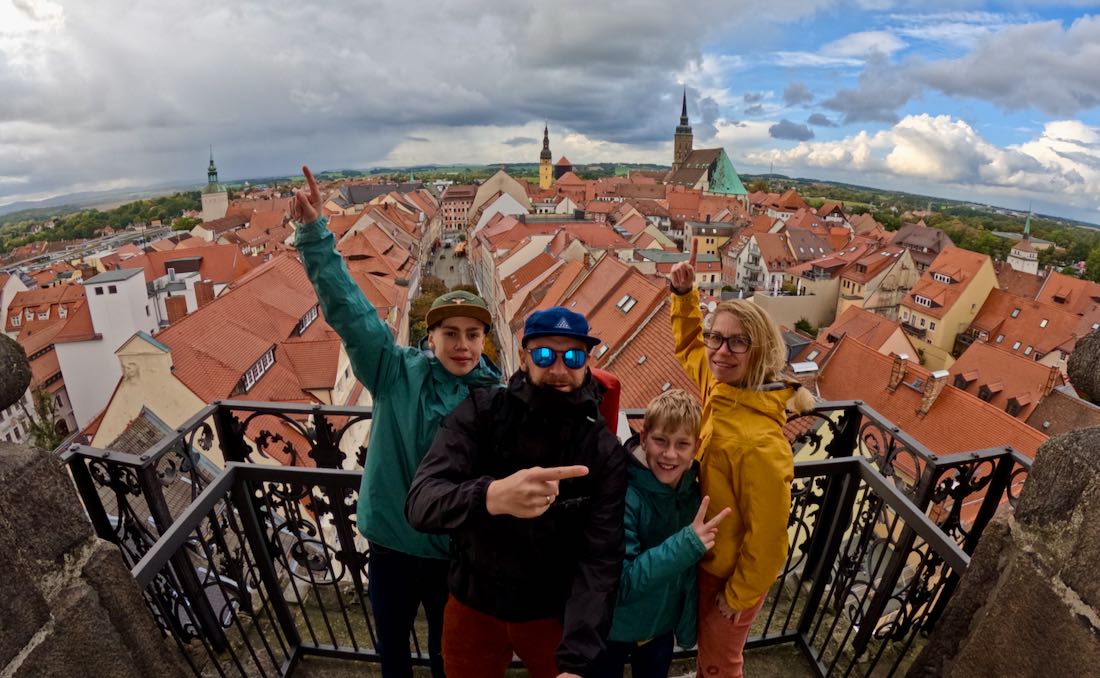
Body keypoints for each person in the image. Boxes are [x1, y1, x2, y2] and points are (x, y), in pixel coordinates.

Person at [291, 166, 502, 678]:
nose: (461, 345)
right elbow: (351, 313)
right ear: (430, 338)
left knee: (447, 656)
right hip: (391, 544)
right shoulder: (395, 372)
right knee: (393, 655)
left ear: (484, 340)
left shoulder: (495, 399)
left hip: (452, 553)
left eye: (472, 335)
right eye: (450, 333)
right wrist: (315, 235)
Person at [405, 306, 628, 678]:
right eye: (544, 355)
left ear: (587, 362)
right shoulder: (482, 413)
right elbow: (421, 502)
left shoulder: (601, 449)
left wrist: (577, 659)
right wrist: (490, 497)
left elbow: (601, 559)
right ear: (524, 358)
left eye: (573, 357)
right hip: (474, 603)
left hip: (551, 613)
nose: (559, 369)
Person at [667, 259, 814, 678]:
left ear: (761, 350)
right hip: (708, 557)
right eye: (717, 337)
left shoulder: (761, 444)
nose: (720, 351)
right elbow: (691, 347)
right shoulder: (723, 386)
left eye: (737, 343)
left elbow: (769, 539)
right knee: (709, 652)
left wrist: (739, 595)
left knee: (721, 662)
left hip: (731, 576)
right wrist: (684, 297)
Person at [590, 389, 730, 678]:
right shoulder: (624, 494)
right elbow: (622, 582)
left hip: (660, 628)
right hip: (613, 628)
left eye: (682, 444)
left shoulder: (693, 492)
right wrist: (686, 545)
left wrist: (688, 625)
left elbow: (688, 576)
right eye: (660, 441)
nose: (670, 454)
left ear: (696, 448)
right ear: (643, 439)